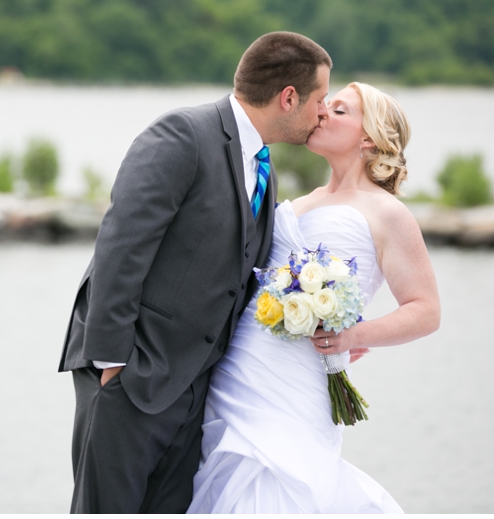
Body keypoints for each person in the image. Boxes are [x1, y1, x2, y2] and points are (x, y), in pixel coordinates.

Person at [58, 32, 333, 513]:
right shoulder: (184, 133)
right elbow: (122, 244)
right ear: (289, 98)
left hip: (194, 393)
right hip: (130, 377)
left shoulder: (262, 168)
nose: (323, 113)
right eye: (320, 99)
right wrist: (111, 363)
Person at [187, 82, 441, 513]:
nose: (322, 112)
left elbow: (426, 310)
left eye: (340, 110)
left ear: (369, 137)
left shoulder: (387, 212)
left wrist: (354, 334)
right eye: (326, 104)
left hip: (299, 375)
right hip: (241, 366)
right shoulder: (298, 202)